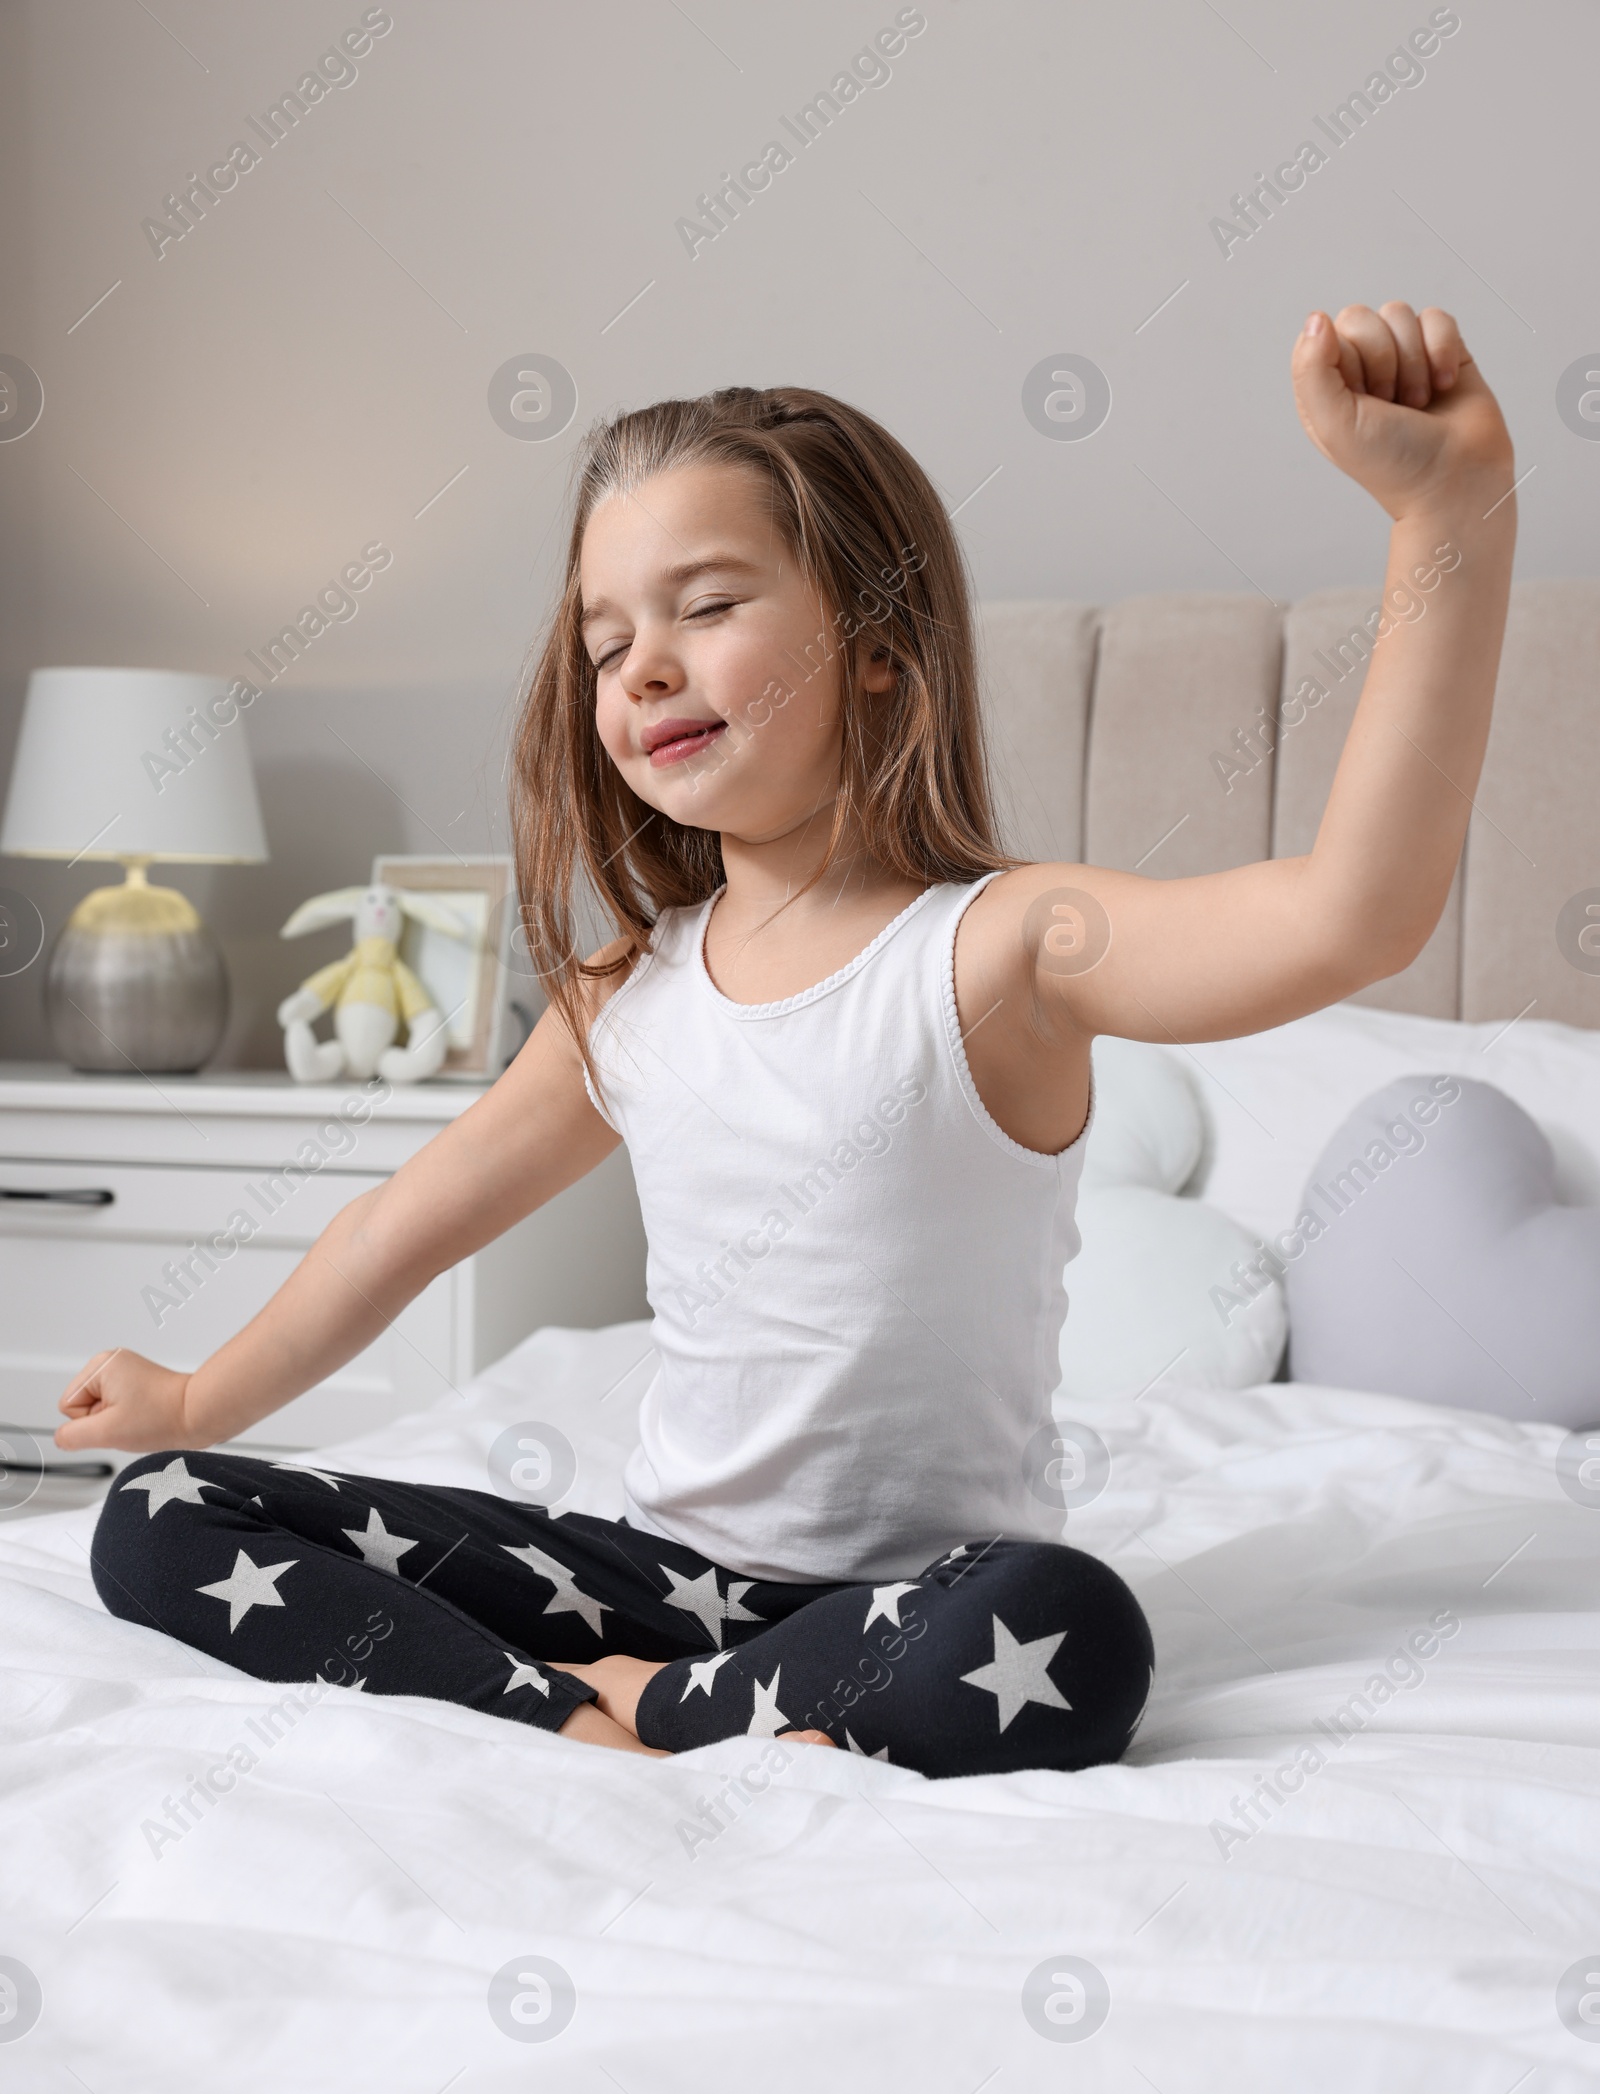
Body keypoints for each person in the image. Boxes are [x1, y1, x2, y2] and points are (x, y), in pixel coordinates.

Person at [67, 305, 1515, 1779]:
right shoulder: (630, 997)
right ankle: (577, 1708)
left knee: (1071, 1631)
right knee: (165, 1513)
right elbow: (400, 1229)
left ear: (875, 648)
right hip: (658, 1585)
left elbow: (1353, 916)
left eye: (705, 606)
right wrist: (195, 1399)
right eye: (607, 637)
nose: (641, 668)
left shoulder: (999, 949)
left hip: (922, 1606)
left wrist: (1445, 515)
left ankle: (663, 1713)